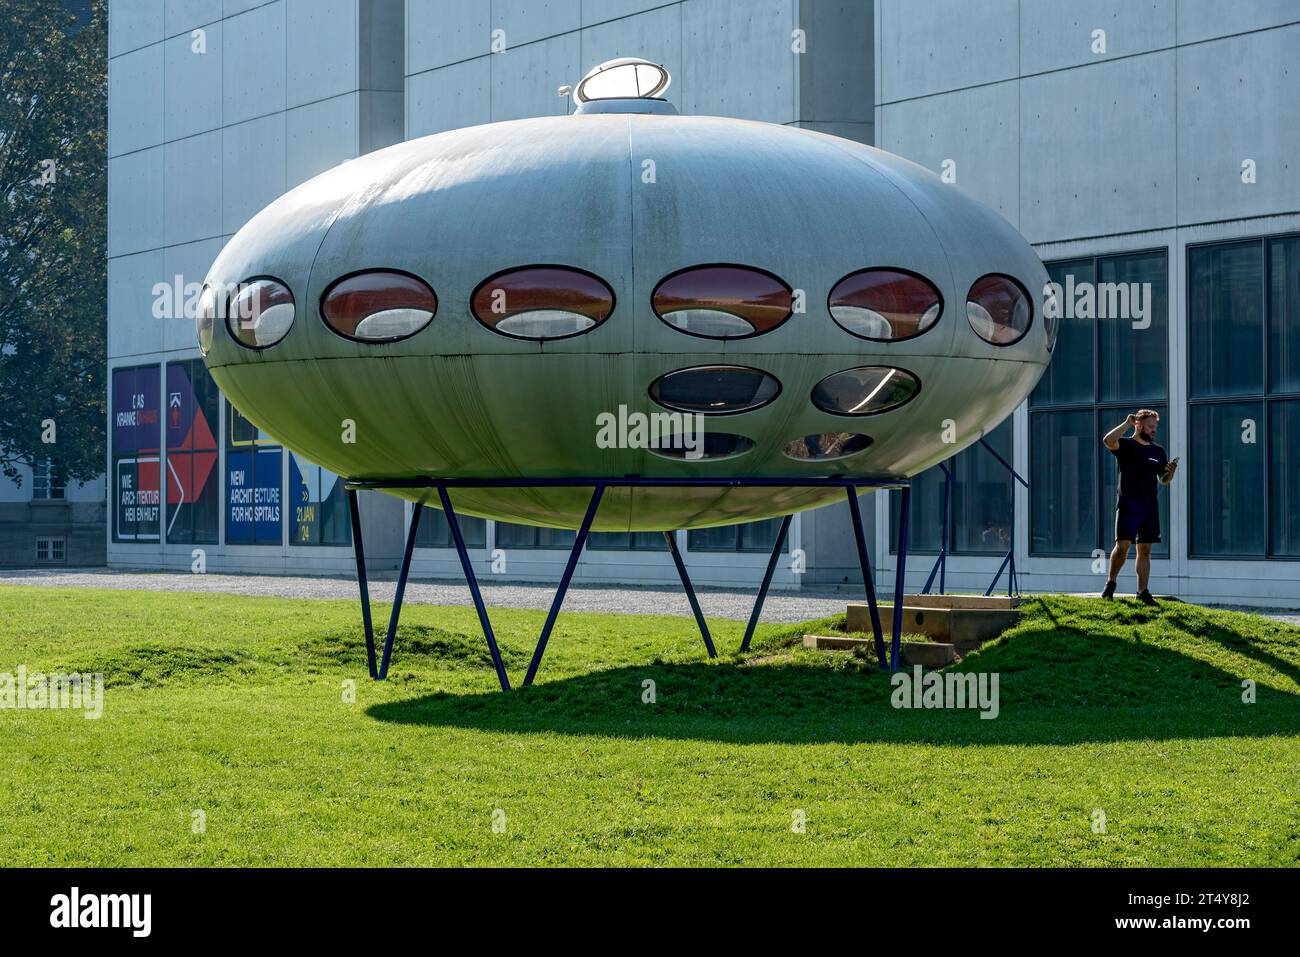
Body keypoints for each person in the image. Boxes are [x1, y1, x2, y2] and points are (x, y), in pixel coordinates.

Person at [1101, 410, 1178, 605]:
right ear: (1139, 425)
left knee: (1145, 550)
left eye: (1155, 427)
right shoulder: (1126, 445)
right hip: (1128, 505)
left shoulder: (1157, 451)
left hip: (1149, 507)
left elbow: (1163, 480)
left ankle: (1142, 592)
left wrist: (1170, 473)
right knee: (1123, 547)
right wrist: (1126, 424)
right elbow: (1108, 440)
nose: (1154, 430)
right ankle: (1110, 584)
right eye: (1151, 426)